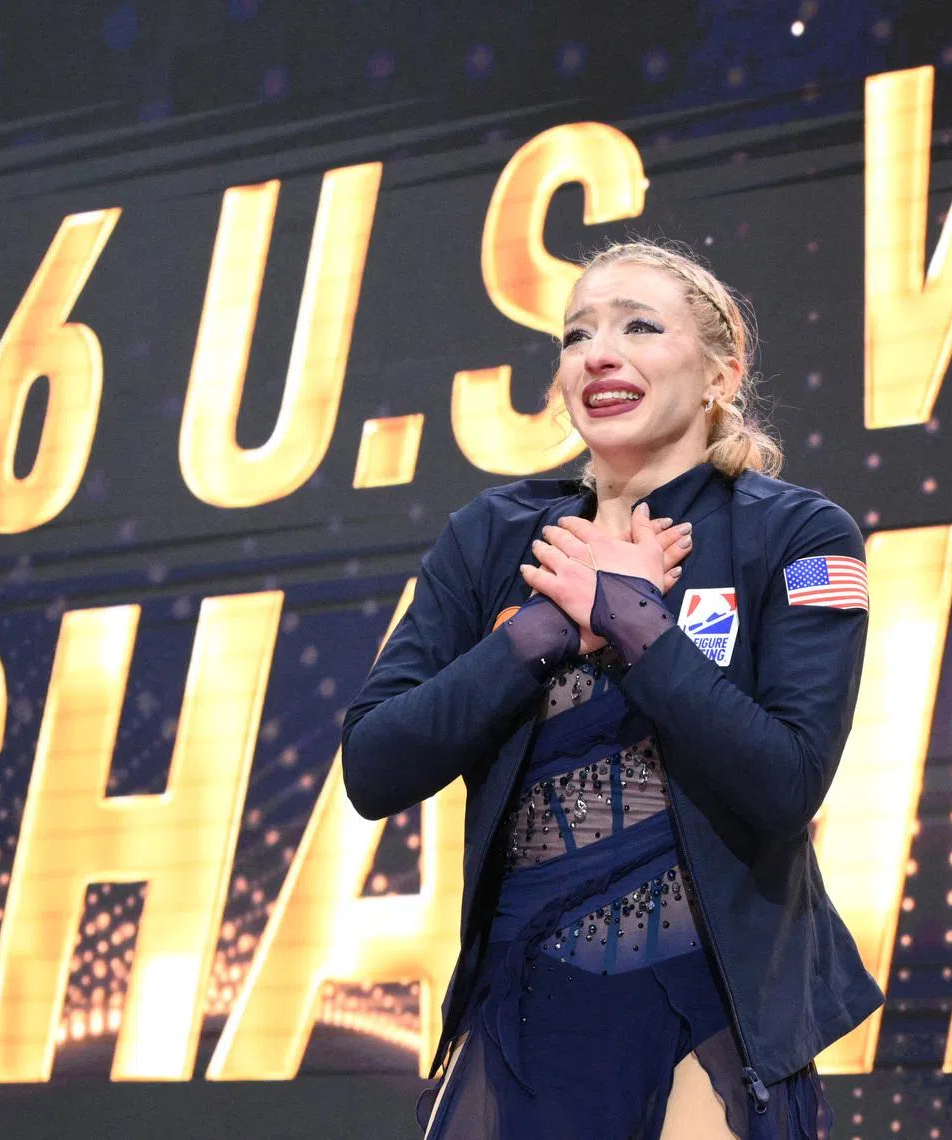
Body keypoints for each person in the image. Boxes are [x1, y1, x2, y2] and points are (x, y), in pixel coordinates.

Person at [341, 240, 882, 1139]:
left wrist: (631, 619)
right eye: (577, 334)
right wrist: (542, 632)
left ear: (721, 374)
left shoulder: (799, 536)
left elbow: (785, 782)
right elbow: (374, 764)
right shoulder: (492, 536)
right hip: (521, 1018)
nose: (598, 354)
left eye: (639, 327)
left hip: (712, 1015)